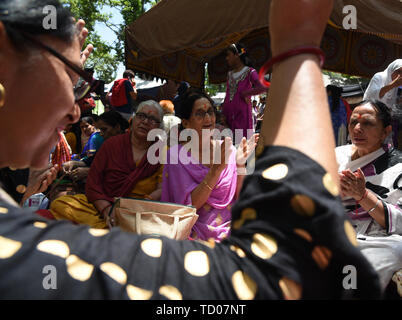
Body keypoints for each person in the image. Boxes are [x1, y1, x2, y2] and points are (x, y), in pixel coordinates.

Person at [0, 0, 382, 300]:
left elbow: (230, 204)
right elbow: (293, 269)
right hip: (185, 227)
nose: (74, 108)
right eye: (72, 78)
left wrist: (243, 165)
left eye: (211, 113)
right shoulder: (175, 153)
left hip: (214, 229)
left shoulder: (224, 146)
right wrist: (297, 42)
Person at [49, 101, 164, 228]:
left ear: (159, 127)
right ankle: (112, 229)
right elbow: (93, 183)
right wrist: (107, 210)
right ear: (133, 119)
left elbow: (163, 188)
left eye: (153, 119)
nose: (146, 122)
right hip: (103, 205)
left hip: (139, 211)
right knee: (61, 204)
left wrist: (144, 203)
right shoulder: (112, 144)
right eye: (141, 116)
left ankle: (110, 229)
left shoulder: (163, 152)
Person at [162, 92, 257, 242]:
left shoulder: (228, 149)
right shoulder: (175, 156)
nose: (208, 119)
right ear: (186, 123)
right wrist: (215, 171)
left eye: (210, 112)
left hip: (231, 231)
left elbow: (241, 198)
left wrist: (240, 164)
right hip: (192, 234)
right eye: (199, 114)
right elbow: (187, 207)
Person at [335, 100, 402, 293]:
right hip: (331, 226)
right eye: (353, 122)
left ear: (386, 131)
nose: (357, 128)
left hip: (373, 239)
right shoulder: (337, 155)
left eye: (367, 123)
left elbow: (399, 222)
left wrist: (362, 195)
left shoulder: (398, 168)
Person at [62, 110, 129, 184]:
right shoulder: (109, 145)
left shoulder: (128, 144)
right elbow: (94, 159)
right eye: (101, 130)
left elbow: (120, 172)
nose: (102, 134)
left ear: (117, 127)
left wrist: (89, 171)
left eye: (104, 129)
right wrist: (73, 163)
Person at [222, 43, 266, 138]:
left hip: (242, 117)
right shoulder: (229, 75)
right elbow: (227, 94)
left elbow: (262, 87)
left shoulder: (250, 72)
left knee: (242, 146)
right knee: (229, 147)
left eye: (228, 55)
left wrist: (246, 94)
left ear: (237, 55)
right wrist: (223, 114)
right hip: (228, 117)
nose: (227, 58)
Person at [364, 60, 402, 148]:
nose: (400, 76)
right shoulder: (379, 77)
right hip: (369, 116)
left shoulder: (395, 87)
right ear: (392, 69)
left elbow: (389, 105)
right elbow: (373, 95)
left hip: (381, 121)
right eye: (398, 71)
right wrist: (392, 85)